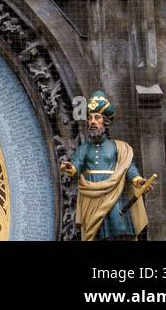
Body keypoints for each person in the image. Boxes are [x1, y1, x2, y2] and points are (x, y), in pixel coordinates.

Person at [60, 90, 151, 240]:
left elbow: (128, 167)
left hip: (114, 196)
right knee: (96, 235)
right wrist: (70, 168)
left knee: (118, 231)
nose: (92, 122)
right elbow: (76, 164)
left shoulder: (118, 147)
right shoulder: (84, 149)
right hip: (91, 198)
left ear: (106, 122)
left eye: (97, 118)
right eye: (90, 118)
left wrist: (137, 180)